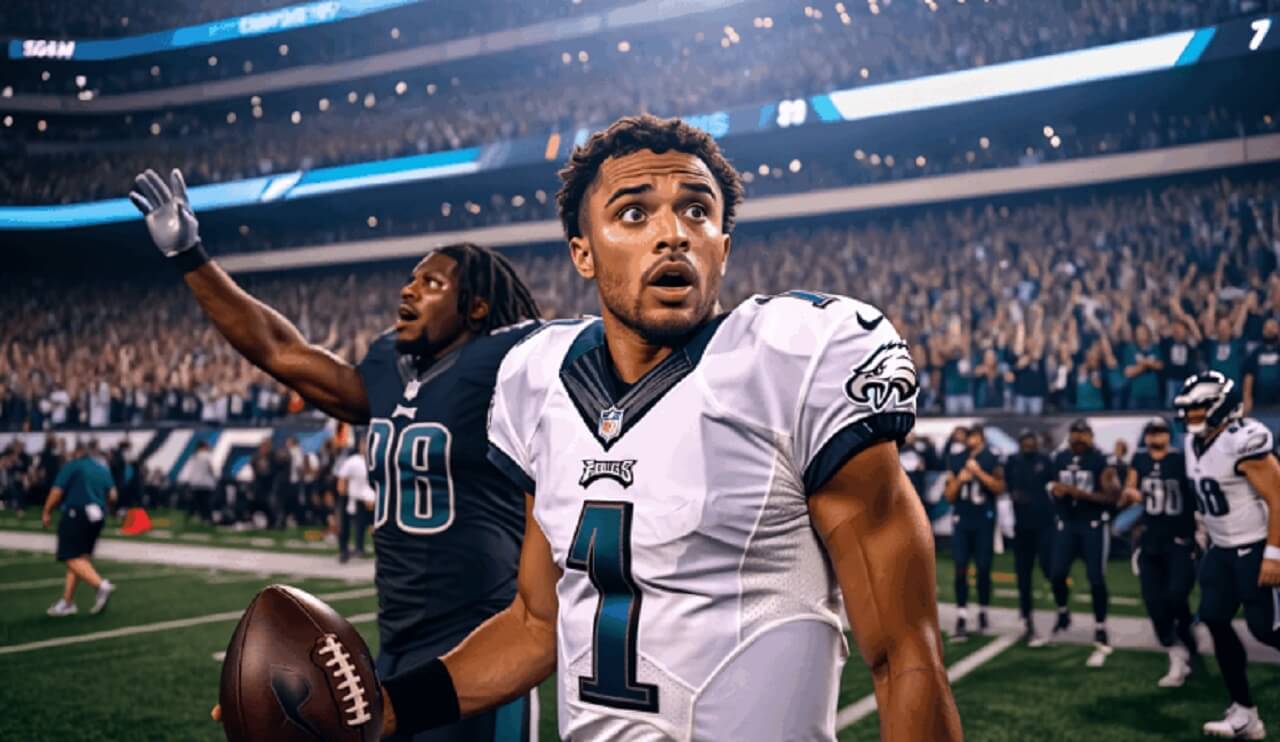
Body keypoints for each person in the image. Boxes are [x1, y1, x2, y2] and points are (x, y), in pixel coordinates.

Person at [377, 115, 960, 741]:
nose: (673, 234)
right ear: (583, 251)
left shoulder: (793, 361)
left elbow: (903, 656)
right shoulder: (536, 380)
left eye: (696, 211)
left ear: (724, 246)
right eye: (633, 214)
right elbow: (535, 625)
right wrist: (385, 710)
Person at [131, 168, 544, 742]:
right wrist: (189, 256)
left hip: (485, 645)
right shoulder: (388, 370)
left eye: (431, 284)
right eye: (410, 279)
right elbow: (282, 350)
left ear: (476, 308)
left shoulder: (515, 360)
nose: (408, 290)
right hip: (392, 646)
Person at [1174, 371, 1280, 739]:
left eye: (1199, 408)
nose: (1191, 416)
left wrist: (1274, 554)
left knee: (1266, 629)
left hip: (1254, 546)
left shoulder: (1244, 441)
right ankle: (1245, 714)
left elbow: (1278, 498)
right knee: (1215, 619)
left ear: (1222, 407)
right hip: (1221, 549)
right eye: (1188, 409)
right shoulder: (1193, 444)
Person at [1119, 418, 1199, 688]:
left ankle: (1188, 642)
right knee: (1155, 602)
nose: (1156, 436)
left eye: (1161, 431)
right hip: (1151, 541)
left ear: (1169, 434)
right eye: (1152, 432)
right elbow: (1128, 489)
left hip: (1179, 539)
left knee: (1176, 596)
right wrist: (1130, 492)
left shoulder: (1181, 460)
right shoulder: (1140, 460)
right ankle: (1177, 651)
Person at [1042, 418, 1120, 667]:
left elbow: (1111, 497)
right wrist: (1053, 490)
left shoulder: (1101, 459)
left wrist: (1078, 493)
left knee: (1096, 578)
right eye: (1075, 434)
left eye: (1083, 434)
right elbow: (1051, 483)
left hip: (1092, 525)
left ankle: (1100, 625)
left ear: (1091, 436)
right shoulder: (1059, 457)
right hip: (1066, 524)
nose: (1078, 439)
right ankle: (1063, 612)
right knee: (1056, 574)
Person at [41, 439, 117, 617]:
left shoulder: (73, 466)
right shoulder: (101, 468)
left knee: (69, 555)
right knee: (80, 559)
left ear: (77, 452)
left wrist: (46, 511)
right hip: (98, 515)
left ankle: (100, 585)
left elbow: (57, 491)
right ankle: (67, 602)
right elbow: (113, 495)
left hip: (77, 513)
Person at [943, 426, 1004, 641]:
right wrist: (961, 479)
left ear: (981, 439)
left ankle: (983, 612)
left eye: (975, 437)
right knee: (960, 567)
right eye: (969, 437)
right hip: (962, 520)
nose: (971, 441)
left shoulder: (992, 457)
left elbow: (999, 488)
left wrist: (978, 473)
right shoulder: (956, 458)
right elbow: (949, 496)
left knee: (984, 568)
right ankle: (961, 614)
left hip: (983, 520)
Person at [1003, 429, 1062, 645]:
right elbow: (1007, 487)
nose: (1029, 442)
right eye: (1025, 440)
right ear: (1020, 442)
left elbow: (1056, 487)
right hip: (1022, 527)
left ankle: (1062, 608)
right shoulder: (1012, 461)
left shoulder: (1046, 461)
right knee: (1023, 574)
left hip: (1045, 525)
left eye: (1032, 439)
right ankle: (1025, 615)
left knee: (1051, 569)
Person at [335, 432, 376, 563]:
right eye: (363, 444)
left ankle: (360, 548)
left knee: (365, 526)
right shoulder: (353, 461)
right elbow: (342, 478)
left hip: (371, 499)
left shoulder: (374, 461)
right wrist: (343, 496)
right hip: (353, 498)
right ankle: (344, 550)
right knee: (346, 525)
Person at [1242, 318, 1280, 413]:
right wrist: (1247, 398)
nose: (1270, 330)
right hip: (1259, 404)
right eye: (1267, 328)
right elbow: (1249, 376)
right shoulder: (1256, 352)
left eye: (1273, 327)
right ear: (1263, 331)